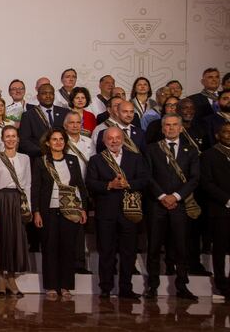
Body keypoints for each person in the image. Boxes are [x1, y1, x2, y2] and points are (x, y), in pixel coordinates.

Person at [86, 126, 149, 300]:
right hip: (106, 213)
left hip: (130, 212)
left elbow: (144, 180)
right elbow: (90, 183)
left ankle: (126, 288)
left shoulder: (135, 158)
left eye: (117, 137)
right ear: (104, 141)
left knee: (128, 252)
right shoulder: (96, 160)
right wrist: (109, 185)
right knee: (106, 251)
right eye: (110, 138)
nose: (114, 141)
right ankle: (105, 288)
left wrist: (128, 184)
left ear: (123, 139)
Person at [143, 114, 200, 301]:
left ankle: (182, 286)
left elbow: (194, 178)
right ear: (162, 128)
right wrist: (162, 196)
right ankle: (152, 286)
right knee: (153, 247)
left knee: (181, 247)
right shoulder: (152, 149)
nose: (171, 128)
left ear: (181, 128)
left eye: (175, 125)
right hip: (156, 205)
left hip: (179, 205)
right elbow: (147, 176)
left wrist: (175, 196)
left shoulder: (190, 150)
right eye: (167, 125)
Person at [31, 129, 88, 298]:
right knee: (49, 248)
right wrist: (36, 211)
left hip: (69, 210)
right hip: (48, 210)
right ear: (47, 143)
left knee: (68, 248)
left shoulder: (72, 160)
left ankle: (65, 286)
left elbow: (80, 185)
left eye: (61, 139)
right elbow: (36, 188)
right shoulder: (41, 162)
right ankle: (50, 286)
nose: (58, 142)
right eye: (54, 139)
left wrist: (83, 208)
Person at [0, 125, 30, 296]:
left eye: (13, 136)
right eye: (7, 136)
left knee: (14, 238)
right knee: (0, 238)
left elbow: (27, 184)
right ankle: (1, 279)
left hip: (17, 201)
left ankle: (11, 277)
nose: (11, 139)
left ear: (18, 139)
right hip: (1, 200)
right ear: (2, 139)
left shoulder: (25, 158)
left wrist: (28, 207)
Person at [200, 122, 230, 298]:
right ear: (218, 135)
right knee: (219, 249)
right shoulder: (209, 155)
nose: (229, 135)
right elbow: (206, 182)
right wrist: (226, 199)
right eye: (225, 132)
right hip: (220, 210)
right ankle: (221, 284)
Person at [63, 111, 95, 274]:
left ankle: (79, 262)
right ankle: (65, 262)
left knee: (81, 225)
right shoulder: (61, 141)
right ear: (65, 125)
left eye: (78, 122)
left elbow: (94, 164)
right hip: (66, 189)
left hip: (84, 188)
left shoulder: (89, 142)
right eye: (72, 122)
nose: (75, 125)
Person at [18, 84, 70, 158]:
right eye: (44, 93)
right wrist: (43, 152)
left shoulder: (65, 113)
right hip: (39, 157)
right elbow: (24, 141)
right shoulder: (28, 115)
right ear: (38, 97)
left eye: (51, 93)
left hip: (62, 156)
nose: (48, 96)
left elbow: (69, 135)